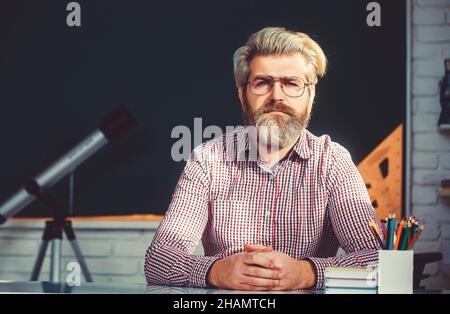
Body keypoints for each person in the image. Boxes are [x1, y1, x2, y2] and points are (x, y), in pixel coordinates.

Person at [145, 27, 381, 290]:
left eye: (291, 83)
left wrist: (306, 272)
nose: (277, 96)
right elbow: (158, 259)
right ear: (242, 94)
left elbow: (378, 262)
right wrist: (216, 270)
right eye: (263, 83)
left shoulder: (332, 161)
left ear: (311, 95)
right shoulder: (207, 159)